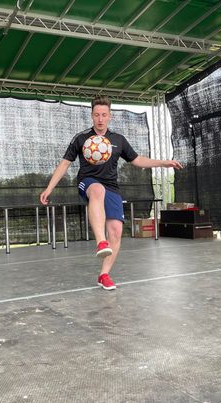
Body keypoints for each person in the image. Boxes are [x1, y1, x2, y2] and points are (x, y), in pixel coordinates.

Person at [39, 96, 183, 291]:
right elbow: (65, 163)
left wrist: (164, 163)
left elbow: (137, 160)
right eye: (97, 115)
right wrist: (49, 188)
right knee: (97, 190)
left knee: (115, 231)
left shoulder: (118, 140)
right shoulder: (81, 138)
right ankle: (101, 241)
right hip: (87, 183)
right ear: (92, 115)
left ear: (109, 116)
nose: (100, 119)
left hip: (111, 187)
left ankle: (104, 275)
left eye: (104, 115)